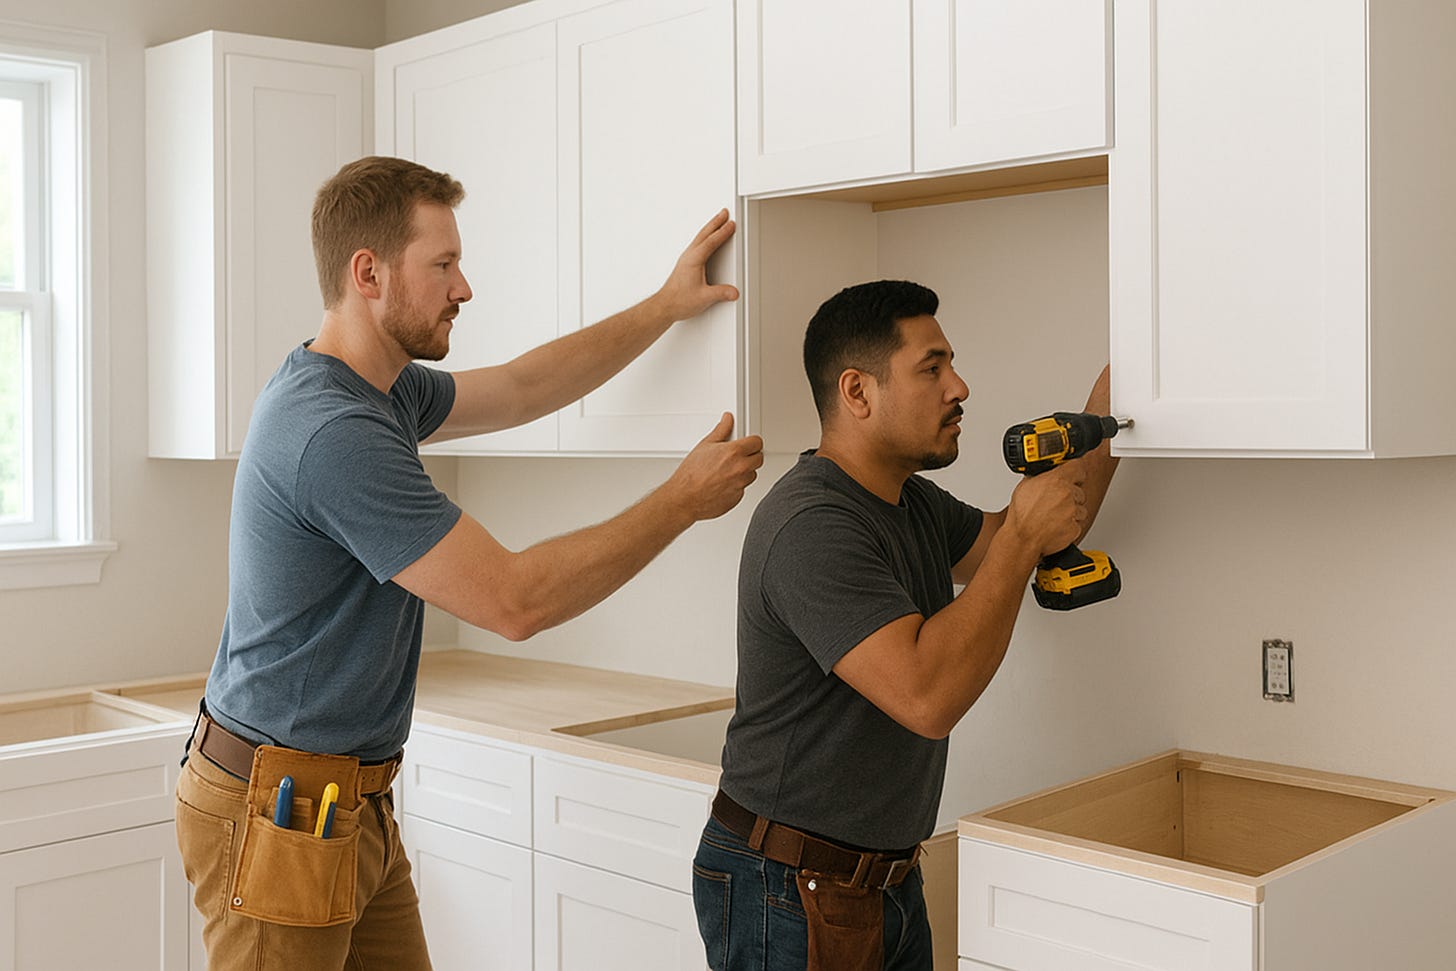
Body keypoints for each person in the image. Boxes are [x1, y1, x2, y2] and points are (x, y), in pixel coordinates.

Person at [174, 155, 763, 970]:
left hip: (349, 799)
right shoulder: (334, 432)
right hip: (282, 807)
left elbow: (525, 386)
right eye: (443, 264)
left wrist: (664, 305)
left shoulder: (384, 392)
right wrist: (680, 501)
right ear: (368, 272)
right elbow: (513, 600)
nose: (464, 287)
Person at [691, 280, 1117, 971]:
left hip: (882, 879)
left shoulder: (907, 501)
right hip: (786, 888)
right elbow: (927, 696)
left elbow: (1032, 532)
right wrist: (1017, 543)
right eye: (933, 367)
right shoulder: (811, 524)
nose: (961, 387)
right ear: (857, 391)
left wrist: (1115, 404)